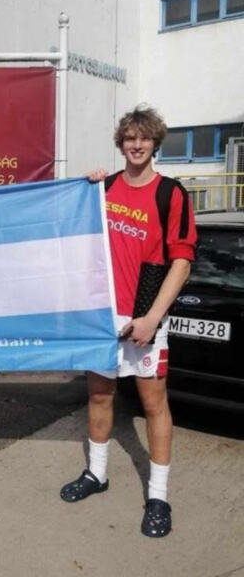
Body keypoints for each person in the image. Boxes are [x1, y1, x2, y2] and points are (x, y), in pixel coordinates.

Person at [60, 106, 196, 538]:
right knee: (100, 397)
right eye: (129, 138)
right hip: (103, 315)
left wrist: (152, 318)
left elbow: (182, 260)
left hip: (144, 315)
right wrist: (87, 185)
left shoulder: (170, 194)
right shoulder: (104, 188)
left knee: (154, 405)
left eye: (144, 138)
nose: (136, 145)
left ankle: (158, 496)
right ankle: (96, 475)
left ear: (155, 143)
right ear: (120, 143)